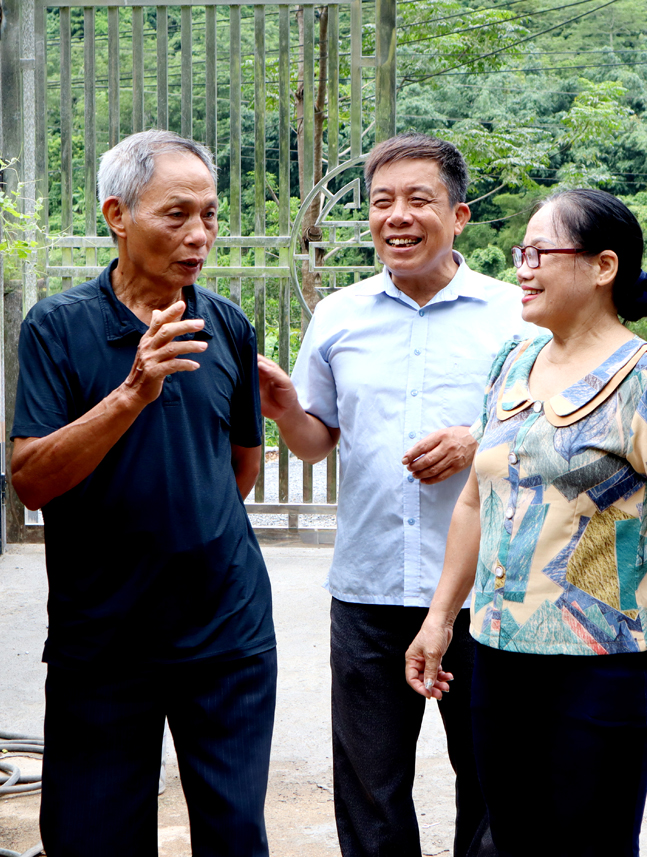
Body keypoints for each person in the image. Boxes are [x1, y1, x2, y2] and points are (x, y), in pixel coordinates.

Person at [405, 188, 647, 857]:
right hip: (497, 657)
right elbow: (475, 499)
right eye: (521, 252)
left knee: (592, 844)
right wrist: (441, 616)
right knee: (515, 838)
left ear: (603, 266)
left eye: (538, 252)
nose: (521, 266)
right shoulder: (512, 364)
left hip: (603, 669)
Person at [256, 132, 532, 857]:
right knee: (370, 792)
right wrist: (286, 406)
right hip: (370, 587)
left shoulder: (516, 318)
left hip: (487, 593)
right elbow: (318, 441)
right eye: (382, 202)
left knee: (494, 787)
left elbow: (557, 434)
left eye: (418, 199)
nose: (397, 217)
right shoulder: (339, 316)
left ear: (461, 215)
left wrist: (479, 443)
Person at [11, 130, 275, 857]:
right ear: (117, 214)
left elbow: (241, 468)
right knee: (92, 837)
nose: (199, 235)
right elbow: (31, 478)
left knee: (234, 835)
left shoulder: (225, 324)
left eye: (211, 215)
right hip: (103, 639)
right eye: (177, 214)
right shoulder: (57, 328)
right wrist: (133, 390)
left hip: (227, 634)